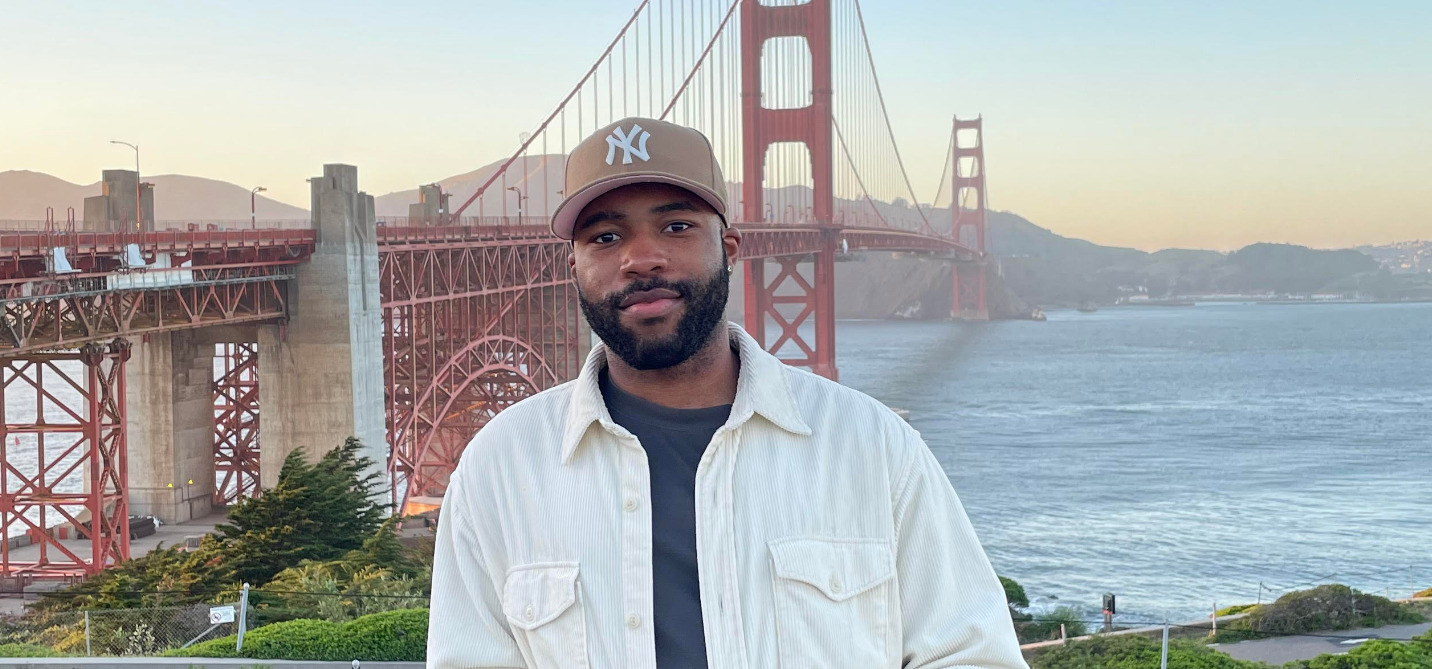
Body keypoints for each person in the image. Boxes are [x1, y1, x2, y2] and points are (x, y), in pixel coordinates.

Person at [427, 117, 1026, 669]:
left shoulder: (875, 447)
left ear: (730, 249)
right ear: (574, 267)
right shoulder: (499, 466)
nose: (641, 258)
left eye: (677, 226)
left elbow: (971, 655)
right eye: (605, 237)